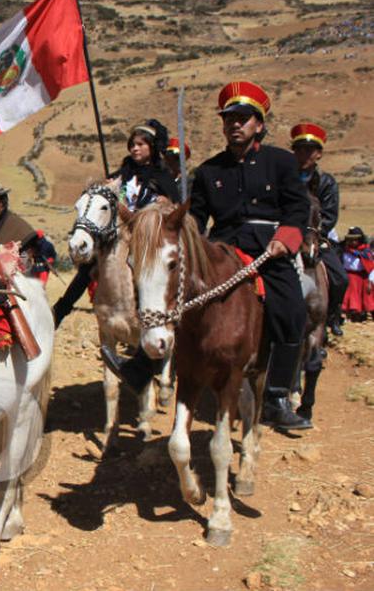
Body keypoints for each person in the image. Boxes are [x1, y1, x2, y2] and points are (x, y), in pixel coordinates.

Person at [103, 81, 312, 430]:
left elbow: (297, 208)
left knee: (291, 304)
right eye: (229, 118)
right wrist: (169, 217)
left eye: (243, 118)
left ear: (259, 124)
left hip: (268, 247)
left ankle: (276, 394)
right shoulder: (210, 170)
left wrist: (284, 240)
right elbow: (196, 217)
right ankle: (142, 365)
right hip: (223, 246)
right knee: (176, 294)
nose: (235, 124)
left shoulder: (281, 162)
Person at [53, 119, 179, 328]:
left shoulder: (163, 178)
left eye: (140, 144)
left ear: (152, 147)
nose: (134, 148)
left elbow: (174, 208)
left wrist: (164, 205)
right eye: (132, 144)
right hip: (117, 235)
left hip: (145, 237)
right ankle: (61, 309)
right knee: (87, 268)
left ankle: (148, 317)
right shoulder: (123, 173)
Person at [291, 123, 349, 338]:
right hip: (286, 237)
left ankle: (331, 317)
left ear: (319, 154)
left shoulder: (327, 182)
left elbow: (330, 215)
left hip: (316, 239)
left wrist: (314, 234)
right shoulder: (285, 177)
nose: (304, 154)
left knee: (340, 278)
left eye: (310, 149)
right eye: (299, 149)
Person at [341, 226, 374, 320]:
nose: (352, 242)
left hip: (363, 277)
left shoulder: (365, 252)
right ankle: (350, 311)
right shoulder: (344, 251)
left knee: (367, 294)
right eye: (350, 240)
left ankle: (364, 311)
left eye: (355, 240)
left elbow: (370, 267)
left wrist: (370, 281)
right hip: (349, 276)